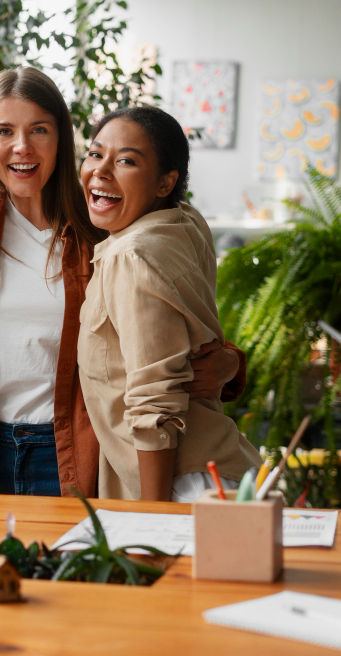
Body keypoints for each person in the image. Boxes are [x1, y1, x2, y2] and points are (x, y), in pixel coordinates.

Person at [0, 67, 247, 498]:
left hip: (77, 452)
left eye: (39, 129)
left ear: (62, 139)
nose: (22, 146)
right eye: (4, 131)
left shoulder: (104, 224)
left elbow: (169, 323)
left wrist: (229, 362)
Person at [76, 106, 262, 502]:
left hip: (180, 485)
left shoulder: (131, 256)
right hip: (215, 470)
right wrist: (230, 360)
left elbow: (153, 402)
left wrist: (155, 516)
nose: (101, 171)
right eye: (95, 154)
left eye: (126, 160)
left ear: (165, 183)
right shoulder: (183, 222)